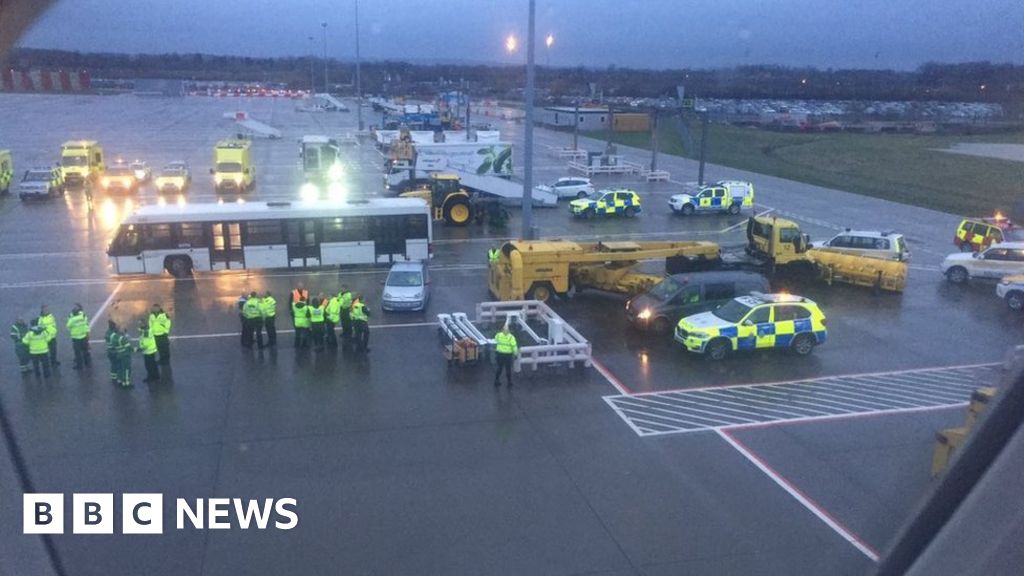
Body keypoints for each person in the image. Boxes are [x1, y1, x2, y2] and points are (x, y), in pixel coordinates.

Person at [493, 320, 518, 389]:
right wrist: (515, 354)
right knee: (508, 369)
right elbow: (514, 346)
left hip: (499, 354)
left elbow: (495, 339)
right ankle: (509, 382)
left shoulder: (498, 335)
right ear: (508, 330)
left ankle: (496, 380)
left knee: (499, 368)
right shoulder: (511, 337)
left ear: (502, 330)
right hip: (508, 355)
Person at [66, 304, 91, 370]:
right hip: (83, 336)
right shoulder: (82, 317)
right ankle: (87, 363)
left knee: (78, 353)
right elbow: (86, 325)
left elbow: (68, 326)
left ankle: (80, 366)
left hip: (76, 338)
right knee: (85, 351)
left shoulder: (72, 319)